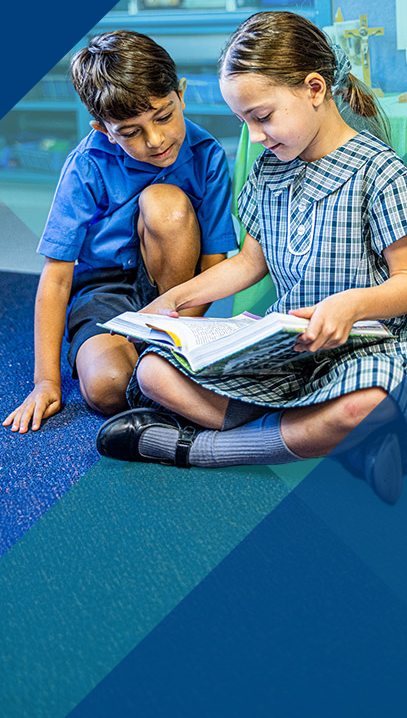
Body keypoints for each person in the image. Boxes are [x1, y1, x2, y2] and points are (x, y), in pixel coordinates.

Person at [96, 12, 407, 497]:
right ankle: (334, 442)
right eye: (244, 122)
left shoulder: (380, 171)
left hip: (367, 349)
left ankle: (202, 449)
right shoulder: (268, 167)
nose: (254, 136)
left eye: (262, 117)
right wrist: (173, 300)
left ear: (314, 89)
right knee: (152, 372)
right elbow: (248, 263)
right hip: (285, 349)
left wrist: (352, 305)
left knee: (368, 403)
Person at [3, 30, 236, 433]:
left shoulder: (207, 155)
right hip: (104, 291)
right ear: (103, 129)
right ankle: (160, 378)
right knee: (107, 387)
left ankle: (165, 351)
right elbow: (57, 279)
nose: (156, 140)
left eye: (163, 116)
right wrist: (46, 382)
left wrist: (179, 327)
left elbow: (214, 263)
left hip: (177, 294)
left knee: (165, 203)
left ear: (181, 95)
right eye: (130, 132)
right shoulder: (85, 166)